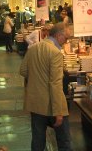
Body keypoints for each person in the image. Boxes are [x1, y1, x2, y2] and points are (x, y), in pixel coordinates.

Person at [19, 22, 73, 151]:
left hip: (36, 104)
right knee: (64, 141)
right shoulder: (55, 53)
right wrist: (58, 112)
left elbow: (23, 71)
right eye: (66, 38)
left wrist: (37, 79)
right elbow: (55, 83)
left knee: (37, 141)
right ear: (59, 35)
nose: (66, 42)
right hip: (53, 105)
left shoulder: (34, 48)